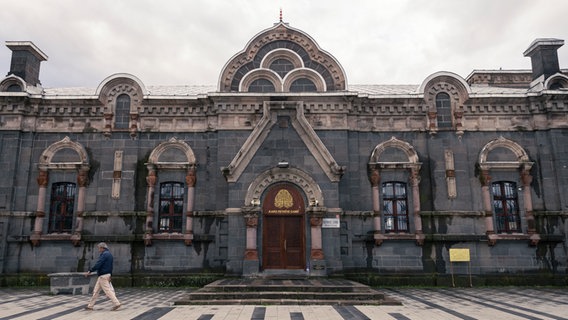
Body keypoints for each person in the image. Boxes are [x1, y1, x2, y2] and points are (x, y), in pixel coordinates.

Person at [84, 242, 121, 311]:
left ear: (102, 248)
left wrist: (90, 270)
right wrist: (110, 275)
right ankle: (90, 306)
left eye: (99, 248)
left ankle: (116, 303)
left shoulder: (104, 254)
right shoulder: (109, 254)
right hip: (106, 274)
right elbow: (110, 266)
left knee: (107, 290)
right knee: (96, 291)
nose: (98, 250)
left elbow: (99, 264)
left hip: (103, 276)